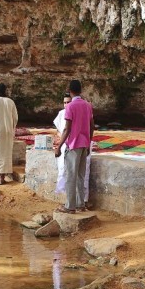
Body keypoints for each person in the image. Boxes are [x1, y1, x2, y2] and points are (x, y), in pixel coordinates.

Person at [54, 79, 94, 213]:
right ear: (81, 90)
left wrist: (59, 146)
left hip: (73, 145)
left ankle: (70, 206)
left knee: (70, 175)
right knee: (80, 175)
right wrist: (89, 142)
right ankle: (80, 204)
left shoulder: (70, 107)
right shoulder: (87, 105)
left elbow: (67, 129)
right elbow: (92, 126)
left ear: (70, 91)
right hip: (84, 144)